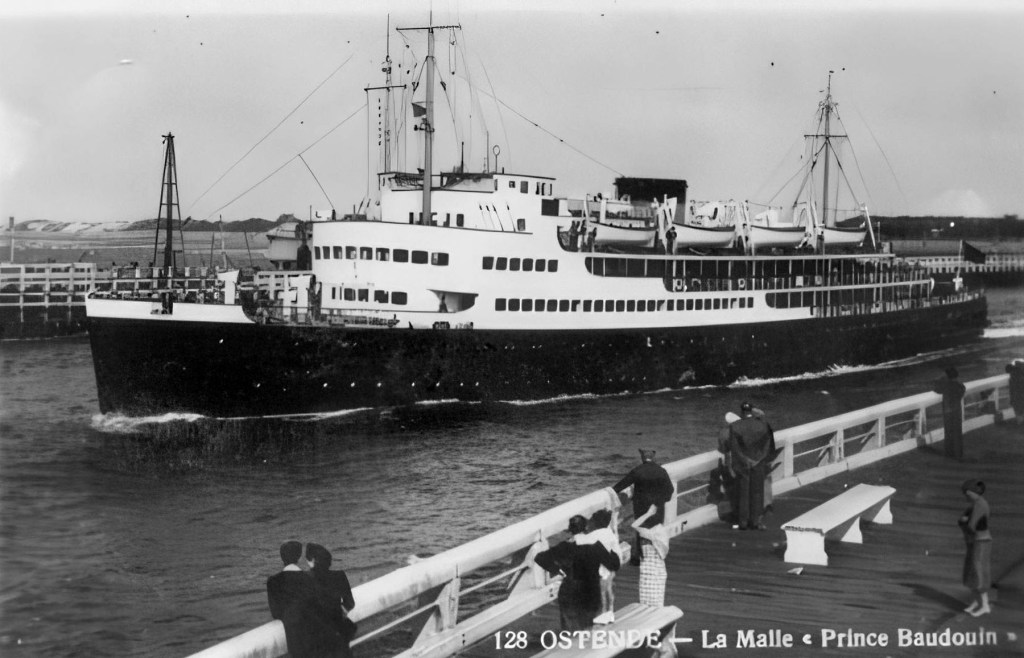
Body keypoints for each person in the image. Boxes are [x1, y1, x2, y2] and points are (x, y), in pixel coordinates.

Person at [534, 515, 621, 631]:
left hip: (569, 591)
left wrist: (558, 570)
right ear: (586, 528)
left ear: (570, 530)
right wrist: (612, 548)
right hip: (590, 592)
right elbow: (614, 565)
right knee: (588, 632)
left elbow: (540, 558)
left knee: (571, 633)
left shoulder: (564, 547)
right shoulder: (596, 546)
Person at [614, 449, 674, 565]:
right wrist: (661, 501)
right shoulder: (661, 471)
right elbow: (670, 490)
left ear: (642, 457)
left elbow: (621, 485)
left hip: (641, 507)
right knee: (656, 531)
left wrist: (611, 491)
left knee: (641, 531)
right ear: (653, 458)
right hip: (657, 508)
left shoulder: (638, 471)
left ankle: (639, 558)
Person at [266, 540, 319, 658]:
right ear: (299, 557)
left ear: (282, 557)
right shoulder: (310, 578)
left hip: (292, 637)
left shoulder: (273, 582)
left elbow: (275, 613)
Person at [728, 401, 775, 530]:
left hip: (743, 465)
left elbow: (735, 448)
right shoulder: (763, 425)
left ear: (742, 412)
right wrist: (759, 459)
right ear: (752, 411)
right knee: (758, 492)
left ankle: (743, 522)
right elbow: (768, 445)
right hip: (759, 462)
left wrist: (744, 460)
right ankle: (755, 521)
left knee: (743, 493)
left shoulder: (735, 426)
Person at [306, 542, 357, 658]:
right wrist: (339, 613)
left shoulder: (306, 580)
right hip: (339, 629)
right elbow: (350, 602)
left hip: (319, 635)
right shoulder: (340, 575)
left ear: (312, 560)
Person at [575, 509, 619, 624]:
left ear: (596, 523)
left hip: (601, 570)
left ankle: (601, 615)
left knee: (600, 592)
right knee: (608, 591)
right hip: (610, 568)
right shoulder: (608, 533)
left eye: (591, 521)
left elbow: (579, 541)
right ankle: (609, 613)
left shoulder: (596, 535)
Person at [958, 479, 992, 617]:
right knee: (972, 572)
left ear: (973, 492)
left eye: (967, 493)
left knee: (978, 573)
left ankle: (984, 605)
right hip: (975, 541)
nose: (966, 495)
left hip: (981, 542)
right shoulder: (975, 504)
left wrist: (963, 522)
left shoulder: (979, 505)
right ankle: (976, 601)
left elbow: (971, 525)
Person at [631, 504, 676, 606]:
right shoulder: (654, 531)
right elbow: (634, 525)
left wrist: (648, 513)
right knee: (646, 602)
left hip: (655, 571)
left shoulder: (658, 531)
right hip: (646, 571)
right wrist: (648, 513)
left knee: (655, 602)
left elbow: (634, 525)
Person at [934, 367, 967, 460]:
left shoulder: (946, 385)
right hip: (957, 411)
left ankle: (949, 453)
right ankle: (958, 454)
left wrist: (940, 378)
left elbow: (936, 388)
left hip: (948, 411)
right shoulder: (960, 386)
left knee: (949, 433)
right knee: (957, 433)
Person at [1006, 359, 1024, 425]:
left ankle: (1020, 423)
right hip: (1020, 397)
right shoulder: (1020, 371)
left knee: (1019, 413)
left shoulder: (1013, 377)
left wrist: (1012, 401)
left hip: (1017, 398)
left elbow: (1013, 390)